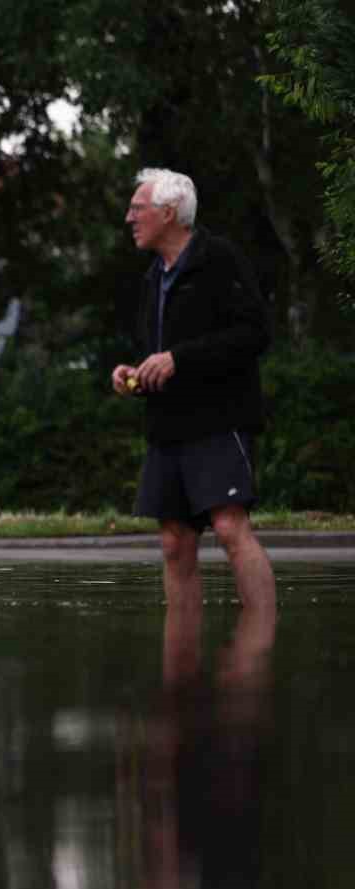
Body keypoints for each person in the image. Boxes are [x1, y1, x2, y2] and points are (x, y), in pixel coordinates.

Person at [112, 168, 276, 616]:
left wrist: (178, 359)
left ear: (168, 213)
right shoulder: (153, 278)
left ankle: (261, 640)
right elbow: (160, 355)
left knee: (228, 526)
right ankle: (181, 666)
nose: (129, 218)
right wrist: (136, 373)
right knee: (174, 540)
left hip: (219, 419)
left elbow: (255, 333)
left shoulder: (218, 258)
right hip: (169, 425)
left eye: (137, 208)